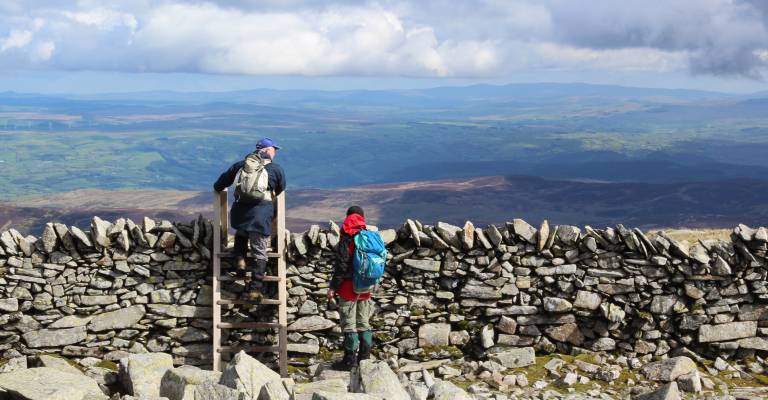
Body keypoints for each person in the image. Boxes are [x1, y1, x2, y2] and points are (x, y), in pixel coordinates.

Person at [213, 138, 286, 300]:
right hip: (261, 214)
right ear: (267, 150)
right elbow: (281, 188)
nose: (275, 152)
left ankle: (240, 259)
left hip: (240, 211)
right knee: (260, 251)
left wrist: (219, 190)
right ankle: (255, 290)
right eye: (274, 149)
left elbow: (220, 184)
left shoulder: (241, 166)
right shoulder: (275, 169)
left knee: (241, 232)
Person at [327, 205, 374, 370]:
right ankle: (364, 359)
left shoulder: (347, 236)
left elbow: (341, 264)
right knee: (363, 322)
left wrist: (333, 287)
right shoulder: (367, 235)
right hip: (366, 287)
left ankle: (349, 361)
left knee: (349, 324)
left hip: (348, 287)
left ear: (347, 217)